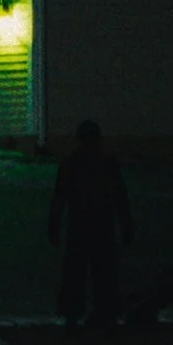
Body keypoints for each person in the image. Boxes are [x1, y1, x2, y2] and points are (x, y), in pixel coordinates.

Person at [47, 118, 134, 330]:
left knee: (75, 271)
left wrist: (54, 225)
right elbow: (120, 195)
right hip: (102, 221)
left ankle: (72, 313)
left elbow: (60, 197)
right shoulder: (107, 162)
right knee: (104, 270)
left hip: (79, 222)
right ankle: (106, 312)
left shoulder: (71, 162)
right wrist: (126, 224)